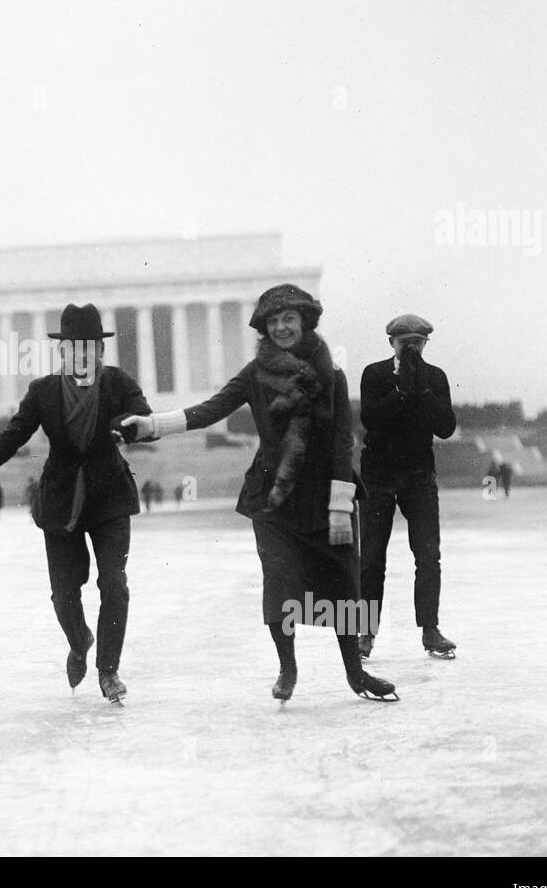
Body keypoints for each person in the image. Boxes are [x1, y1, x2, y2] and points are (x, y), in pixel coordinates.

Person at [120, 285, 396, 703]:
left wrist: (341, 502)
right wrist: (153, 424)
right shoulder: (254, 374)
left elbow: (343, 441)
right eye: (273, 321)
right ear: (265, 329)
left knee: (344, 585)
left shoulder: (332, 375)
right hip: (273, 498)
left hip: (326, 497)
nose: (282, 327)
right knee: (280, 583)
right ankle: (287, 669)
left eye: (289, 318)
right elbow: (211, 409)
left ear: (305, 321)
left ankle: (356, 675)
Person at [0, 303, 150, 704]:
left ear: (100, 352)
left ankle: (109, 670)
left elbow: (141, 415)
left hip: (109, 497)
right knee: (64, 593)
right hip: (61, 499)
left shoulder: (118, 383)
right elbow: (7, 442)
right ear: (63, 352)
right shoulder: (43, 392)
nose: (82, 353)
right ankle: (80, 640)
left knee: (114, 582)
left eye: (90, 347)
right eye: (74, 347)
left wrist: (126, 428)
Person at [358, 314, 458, 660]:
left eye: (418, 343)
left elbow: (445, 428)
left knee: (428, 555)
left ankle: (430, 630)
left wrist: (423, 391)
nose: (412, 348)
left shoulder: (435, 377)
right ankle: (365, 633)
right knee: (371, 556)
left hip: (418, 475)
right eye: (406, 343)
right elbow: (370, 420)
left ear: (425, 344)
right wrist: (400, 390)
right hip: (378, 474)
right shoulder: (374, 374)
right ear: (392, 344)